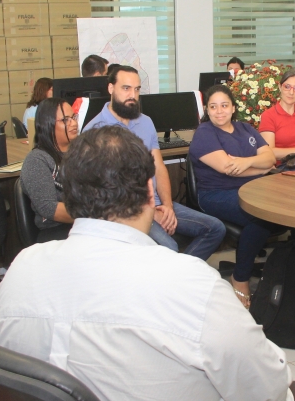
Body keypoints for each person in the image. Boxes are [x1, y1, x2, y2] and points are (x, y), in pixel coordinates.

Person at [0, 126, 295, 401]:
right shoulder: (189, 282)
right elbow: (267, 390)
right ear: (150, 192)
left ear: (70, 195)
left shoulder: (23, 268)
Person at [82, 65, 225, 260]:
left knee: (215, 228)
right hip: (126, 212)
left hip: (157, 204)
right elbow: (108, 190)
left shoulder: (145, 122)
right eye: (126, 88)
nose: (132, 95)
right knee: (169, 248)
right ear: (111, 88)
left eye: (137, 89)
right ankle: (175, 272)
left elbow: (158, 167)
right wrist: (150, 213)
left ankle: (179, 272)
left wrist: (168, 206)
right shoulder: (95, 131)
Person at [189, 85, 276, 307]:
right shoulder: (205, 133)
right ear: (207, 110)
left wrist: (247, 162)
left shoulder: (245, 128)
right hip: (215, 194)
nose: (219, 111)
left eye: (224, 105)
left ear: (233, 108)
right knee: (261, 218)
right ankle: (240, 278)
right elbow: (228, 168)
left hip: (253, 190)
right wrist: (261, 168)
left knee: (282, 209)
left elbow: (270, 158)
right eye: (213, 107)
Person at [20, 97, 77, 242]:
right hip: (57, 231)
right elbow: (49, 208)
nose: (74, 123)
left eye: (74, 117)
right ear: (48, 124)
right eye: (65, 120)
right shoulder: (37, 160)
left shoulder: (82, 153)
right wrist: (93, 215)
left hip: (87, 225)